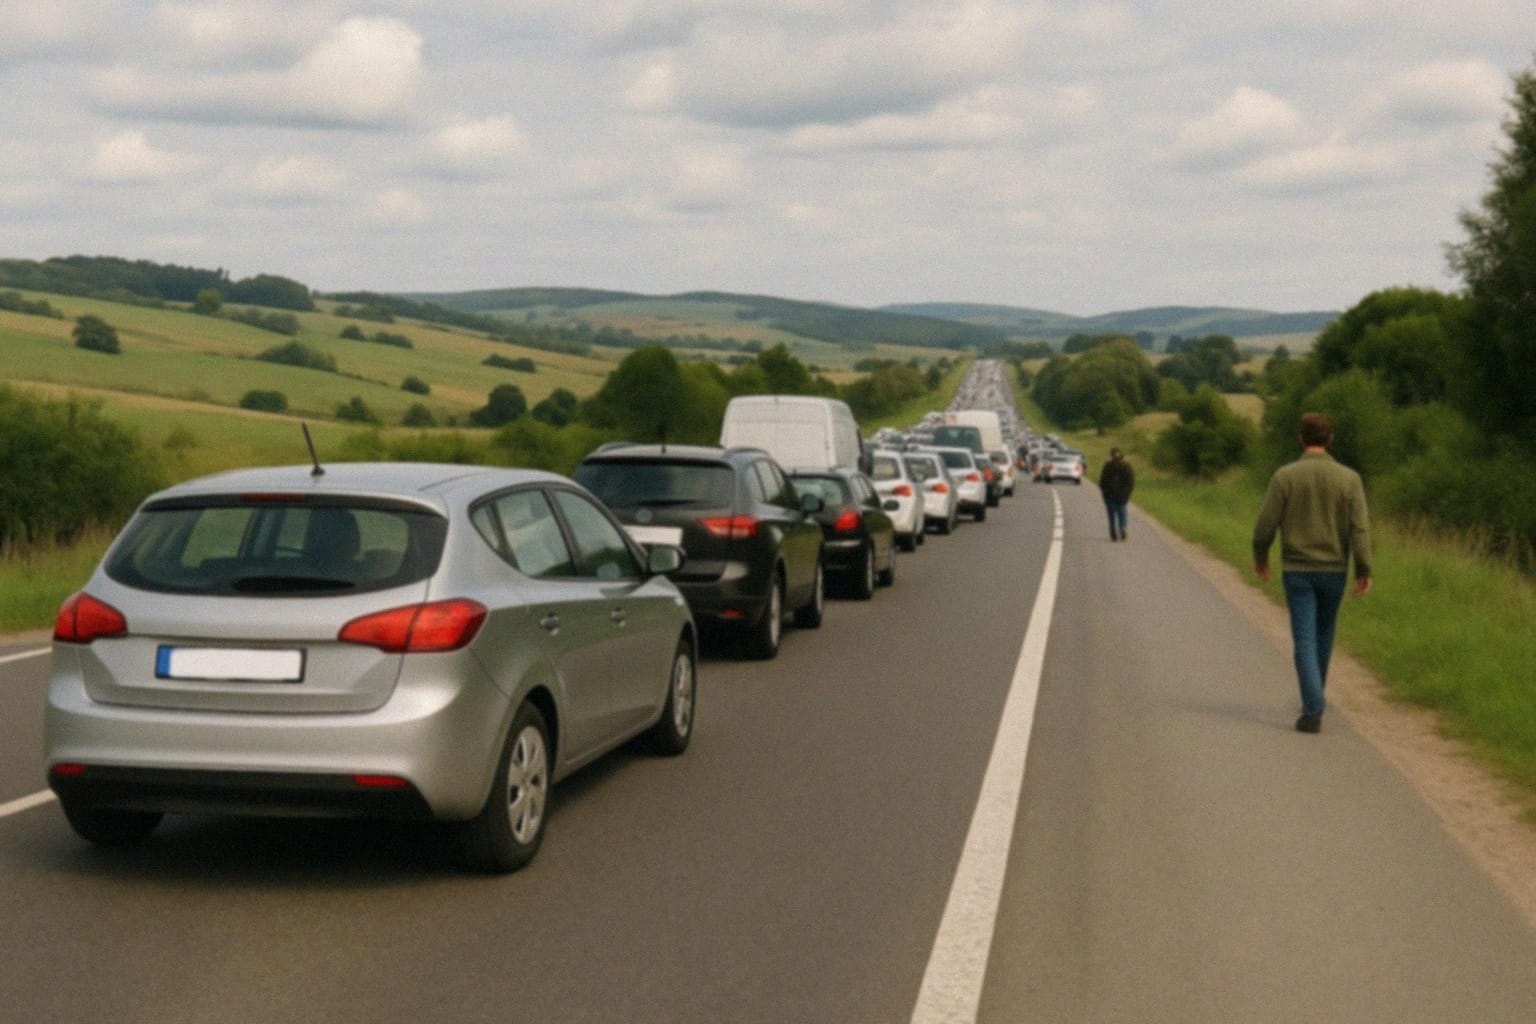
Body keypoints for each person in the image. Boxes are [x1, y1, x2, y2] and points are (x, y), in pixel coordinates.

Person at [1251, 412, 1373, 734]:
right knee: (1324, 634)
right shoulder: (1349, 479)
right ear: (1330, 439)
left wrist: (1260, 554)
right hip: (1335, 569)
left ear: (1301, 439)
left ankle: (1313, 706)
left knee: (1304, 638)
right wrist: (1364, 567)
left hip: (1298, 570)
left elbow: (1265, 523)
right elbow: (1359, 529)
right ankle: (1314, 700)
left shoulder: (1285, 476)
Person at [1098, 448, 1135, 541]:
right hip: (1112, 495)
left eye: (1117, 454)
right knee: (1117, 513)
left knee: (1117, 513)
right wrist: (1105, 492)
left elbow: (1130, 482)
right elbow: (1103, 481)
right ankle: (1116, 530)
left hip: (1119, 495)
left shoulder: (1124, 466)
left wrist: (1127, 493)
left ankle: (1119, 530)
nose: (1116, 455)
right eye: (1115, 454)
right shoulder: (1110, 466)